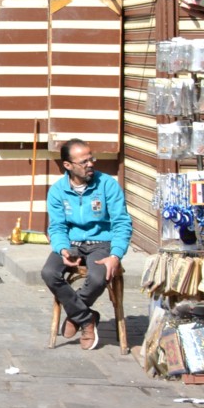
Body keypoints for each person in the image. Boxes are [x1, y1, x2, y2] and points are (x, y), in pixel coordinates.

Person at [42, 139, 132, 351]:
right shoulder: (57, 191)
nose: (91, 164)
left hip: (101, 242)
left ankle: (75, 315)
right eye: (84, 161)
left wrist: (116, 255)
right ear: (68, 165)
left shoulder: (107, 185)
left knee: (97, 276)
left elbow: (122, 222)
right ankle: (86, 318)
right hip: (72, 243)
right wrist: (63, 249)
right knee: (49, 272)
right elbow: (57, 227)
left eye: (91, 158)